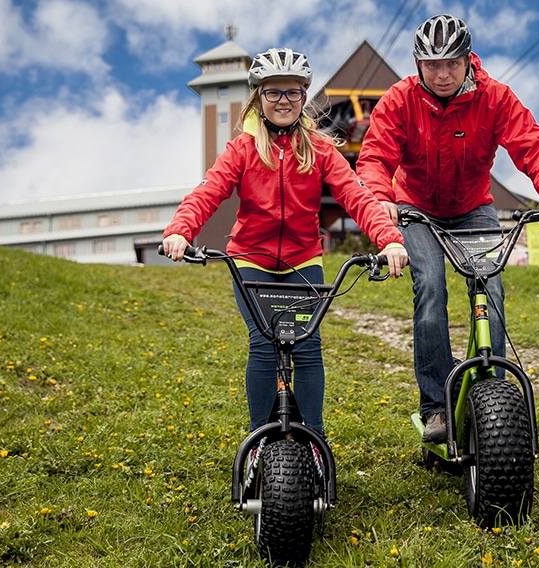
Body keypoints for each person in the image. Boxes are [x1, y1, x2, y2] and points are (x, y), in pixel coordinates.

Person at [163, 47, 408, 436]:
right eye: (273, 92)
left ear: (303, 96)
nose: (283, 101)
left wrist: (389, 239)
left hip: (303, 261)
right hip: (250, 260)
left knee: (307, 348)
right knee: (263, 344)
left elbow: (357, 195)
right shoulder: (242, 149)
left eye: (292, 92)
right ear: (258, 97)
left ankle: (315, 437)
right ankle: (259, 438)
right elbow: (208, 191)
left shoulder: (321, 150)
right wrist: (180, 230)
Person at [356, 14, 539, 443]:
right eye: (432, 64)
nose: (442, 74)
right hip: (415, 209)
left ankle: (487, 390)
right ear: (418, 63)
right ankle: (437, 405)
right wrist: (381, 197)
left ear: (468, 60)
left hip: (474, 208)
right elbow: (375, 157)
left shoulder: (494, 97)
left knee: (489, 287)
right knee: (432, 287)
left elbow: (531, 144)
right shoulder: (399, 100)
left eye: (451, 64)